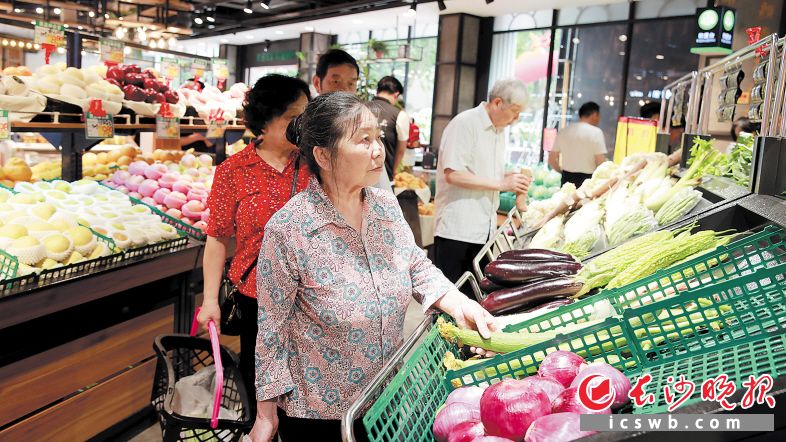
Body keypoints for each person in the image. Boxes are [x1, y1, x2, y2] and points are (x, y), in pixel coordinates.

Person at [246, 92, 497, 442]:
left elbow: (415, 266)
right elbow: (272, 329)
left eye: (378, 137)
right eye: (363, 140)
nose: (378, 149)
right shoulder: (289, 229)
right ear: (323, 156)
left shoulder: (384, 207)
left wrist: (460, 303)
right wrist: (265, 416)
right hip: (320, 415)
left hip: (385, 399)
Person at [196, 75, 311, 404]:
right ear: (267, 118)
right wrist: (209, 301)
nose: (301, 124)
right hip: (255, 297)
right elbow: (217, 239)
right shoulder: (233, 171)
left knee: (306, 387)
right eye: (293, 117)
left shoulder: (315, 166)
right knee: (260, 384)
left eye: (306, 115)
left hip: (311, 297)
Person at [433, 79, 531, 291]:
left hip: (484, 232)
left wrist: (509, 177)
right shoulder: (465, 123)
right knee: (450, 300)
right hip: (457, 231)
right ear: (497, 103)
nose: (516, 119)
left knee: (477, 298)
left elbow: (482, 173)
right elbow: (453, 173)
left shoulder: (499, 132)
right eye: (514, 112)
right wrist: (501, 182)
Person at [313, 48, 393, 191]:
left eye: (351, 83)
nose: (344, 90)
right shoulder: (308, 126)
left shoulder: (361, 121)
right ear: (317, 82)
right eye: (336, 81)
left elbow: (383, 189)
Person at [548, 101, 607, 187]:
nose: (599, 119)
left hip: (566, 179)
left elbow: (552, 160)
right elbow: (600, 162)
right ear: (594, 114)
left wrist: (562, 172)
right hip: (588, 181)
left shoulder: (564, 131)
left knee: (564, 200)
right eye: (599, 115)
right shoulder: (596, 133)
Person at [367, 75, 410, 180]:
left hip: (357, 172)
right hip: (382, 174)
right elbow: (401, 150)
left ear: (378, 90)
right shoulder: (399, 115)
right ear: (396, 94)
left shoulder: (360, 107)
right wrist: (394, 171)